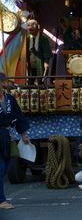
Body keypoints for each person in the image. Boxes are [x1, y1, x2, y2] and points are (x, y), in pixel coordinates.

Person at [0, 72, 30, 209]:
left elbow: (18, 116)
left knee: (6, 167)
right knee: (0, 169)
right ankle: (2, 200)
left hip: (7, 135)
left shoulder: (9, 99)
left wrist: (23, 134)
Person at [26, 19, 53, 85]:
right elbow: (25, 51)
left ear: (37, 28)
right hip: (30, 62)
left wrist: (46, 62)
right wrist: (25, 61)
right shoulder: (27, 38)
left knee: (41, 80)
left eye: (32, 29)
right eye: (29, 30)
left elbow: (47, 51)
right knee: (30, 81)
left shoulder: (43, 38)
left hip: (40, 62)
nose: (30, 31)